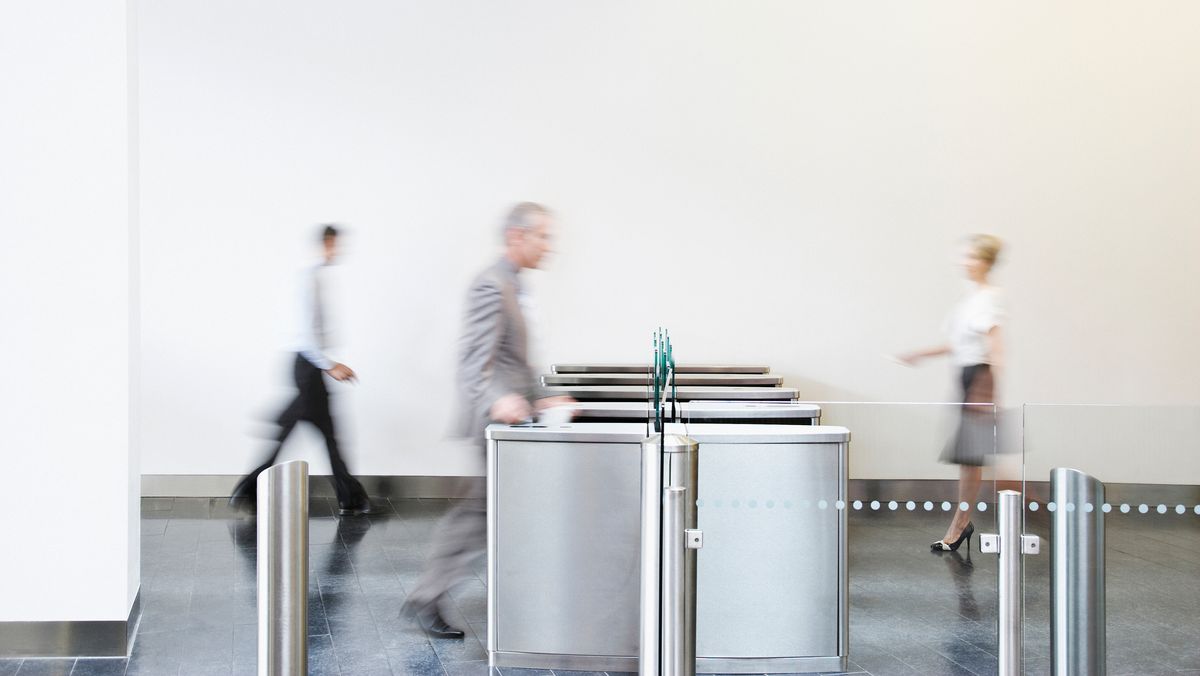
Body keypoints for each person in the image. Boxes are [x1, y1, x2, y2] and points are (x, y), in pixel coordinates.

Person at [400, 202, 573, 639]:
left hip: (514, 417)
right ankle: (426, 597)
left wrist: (543, 397)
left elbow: (515, 361)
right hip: (493, 422)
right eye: (543, 236)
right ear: (517, 236)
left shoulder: (514, 284)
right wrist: (500, 400)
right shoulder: (491, 284)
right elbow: (475, 361)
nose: (549, 245)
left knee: (491, 511)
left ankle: (437, 595)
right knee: (479, 512)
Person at [229, 225, 373, 515]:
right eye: (334, 244)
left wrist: (327, 364)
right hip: (307, 367)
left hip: (310, 367)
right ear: (325, 244)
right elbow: (306, 336)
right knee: (322, 434)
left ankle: (350, 499)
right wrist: (330, 365)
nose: (338, 250)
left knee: (323, 434)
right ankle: (248, 490)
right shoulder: (309, 279)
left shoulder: (317, 277)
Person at [897, 234, 1005, 552]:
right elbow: (958, 344)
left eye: (971, 256)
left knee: (971, 458)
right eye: (964, 256)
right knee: (967, 458)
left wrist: (989, 389)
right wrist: (919, 354)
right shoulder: (970, 299)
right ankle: (962, 523)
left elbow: (996, 345)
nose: (964, 262)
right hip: (967, 378)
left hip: (979, 378)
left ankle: (960, 526)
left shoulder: (989, 298)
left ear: (985, 262)